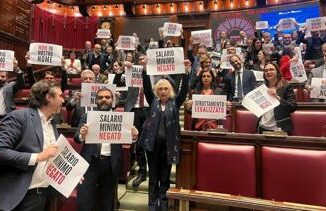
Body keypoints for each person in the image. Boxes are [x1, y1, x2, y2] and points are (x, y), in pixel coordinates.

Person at [0, 80, 64, 211]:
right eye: (60, 96)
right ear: (48, 98)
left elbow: (53, 155)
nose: (64, 100)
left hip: (44, 193)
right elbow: (1, 150)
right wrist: (37, 157)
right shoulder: (19, 117)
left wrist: (73, 174)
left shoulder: (52, 122)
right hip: (21, 194)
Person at [75, 87, 139, 211]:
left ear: (112, 101)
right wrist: (82, 135)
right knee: (84, 202)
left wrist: (134, 136)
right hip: (89, 163)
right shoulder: (87, 116)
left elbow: (130, 139)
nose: (104, 100)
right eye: (100, 97)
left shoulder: (120, 119)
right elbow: (77, 138)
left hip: (110, 164)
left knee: (106, 202)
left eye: (107, 97)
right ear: (96, 101)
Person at [139, 59, 191, 211]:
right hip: (152, 146)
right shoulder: (152, 100)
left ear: (170, 90)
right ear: (157, 91)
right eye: (160, 89)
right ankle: (152, 206)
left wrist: (186, 73)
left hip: (168, 147)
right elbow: (146, 87)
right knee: (153, 179)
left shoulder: (175, 102)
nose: (163, 91)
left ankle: (163, 205)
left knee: (165, 178)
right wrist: (144, 70)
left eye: (165, 89)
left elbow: (183, 90)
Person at [257, 62, 297, 135]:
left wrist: (277, 97)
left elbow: (293, 107)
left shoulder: (286, 86)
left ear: (277, 71)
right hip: (262, 127)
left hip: (279, 128)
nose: (268, 72)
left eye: (271, 69)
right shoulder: (262, 88)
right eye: (266, 70)